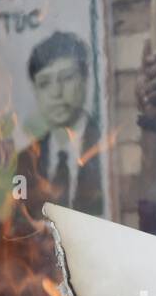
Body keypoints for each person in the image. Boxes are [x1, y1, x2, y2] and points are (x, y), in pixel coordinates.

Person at [14, 31, 105, 218]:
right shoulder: (26, 160)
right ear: (35, 91)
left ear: (85, 78)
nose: (56, 92)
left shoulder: (106, 147)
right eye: (45, 83)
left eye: (67, 78)